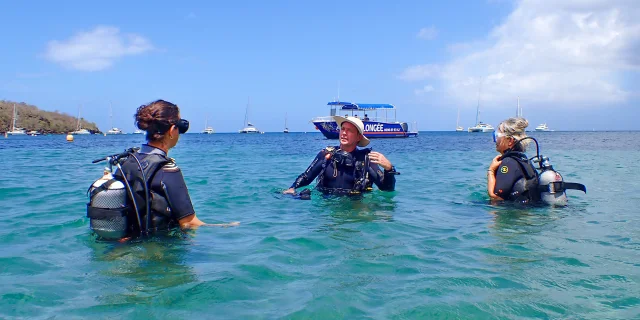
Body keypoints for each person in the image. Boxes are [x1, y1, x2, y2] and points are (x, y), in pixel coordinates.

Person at [115, 100, 236, 236]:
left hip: (128, 242)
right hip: (158, 249)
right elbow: (189, 223)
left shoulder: (127, 161)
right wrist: (227, 227)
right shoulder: (167, 169)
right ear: (172, 131)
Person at [283, 116, 398, 196]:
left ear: (358, 137)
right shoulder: (326, 155)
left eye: (349, 130)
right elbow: (306, 177)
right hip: (327, 205)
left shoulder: (365, 160)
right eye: (342, 129)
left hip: (354, 207)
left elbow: (387, 189)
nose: (344, 133)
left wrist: (389, 169)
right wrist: (292, 188)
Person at [487, 117, 533, 202]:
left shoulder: (508, 162)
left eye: (498, 136)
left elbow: (496, 198)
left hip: (516, 213)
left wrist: (491, 171)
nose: (495, 140)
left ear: (510, 141)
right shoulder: (523, 160)